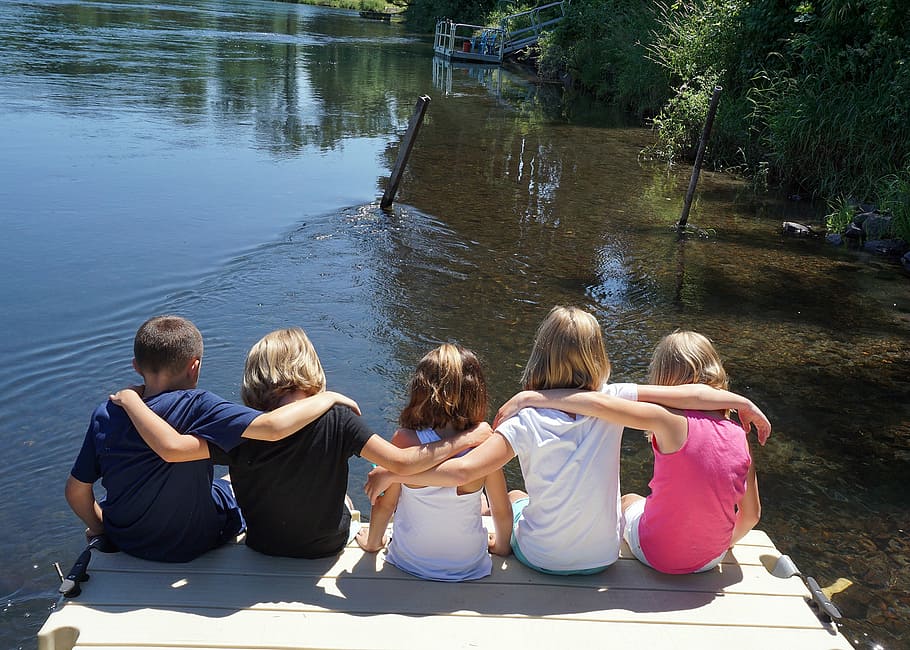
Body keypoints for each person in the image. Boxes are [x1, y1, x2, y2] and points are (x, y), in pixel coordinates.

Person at [366, 306, 770, 576]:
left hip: (542, 558)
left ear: (540, 356)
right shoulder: (614, 399)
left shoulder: (523, 419)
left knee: (517, 494)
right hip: (603, 557)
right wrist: (740, 401)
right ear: (598, 358)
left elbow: (465, 470)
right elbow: (688, 396)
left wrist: (394, 470)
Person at [112, 327, 492, 559]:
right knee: (343, 500)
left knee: (228, 481)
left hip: (264, 543)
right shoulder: (340, 419)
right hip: (324, 545)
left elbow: (176, 451)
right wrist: (465, 436)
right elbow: (405, 464)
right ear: (310, 369)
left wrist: (132, 400)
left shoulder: (243, 427)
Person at [65, 315, 360, 563]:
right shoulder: (198, 405)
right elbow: (272, 428)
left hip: (127, 538)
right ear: (195, 366)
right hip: (191, 543)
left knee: (217, 481)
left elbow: (77, 492)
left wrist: (101, 528)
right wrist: (328, 397)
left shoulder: (106, 412)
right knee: (230, 492)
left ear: (136, 366)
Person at [492, 330, 765, 574]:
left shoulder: (666, 421)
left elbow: (598, 404)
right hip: (711, 559)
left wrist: (529, 397)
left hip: (657, 554)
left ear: (665, 381)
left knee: (628, 501)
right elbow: (751, 515)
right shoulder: (741, 436)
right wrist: (721, 547)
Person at [355, 344, 512, 581]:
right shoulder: (484, 444)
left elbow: (385, 505)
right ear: (476, 392)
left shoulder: (405, 440)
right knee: (480, 500)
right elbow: (501, 510)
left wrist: (373, 543)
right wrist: (501, 547)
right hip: (469, 564)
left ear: (420, 390)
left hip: (409, 561)